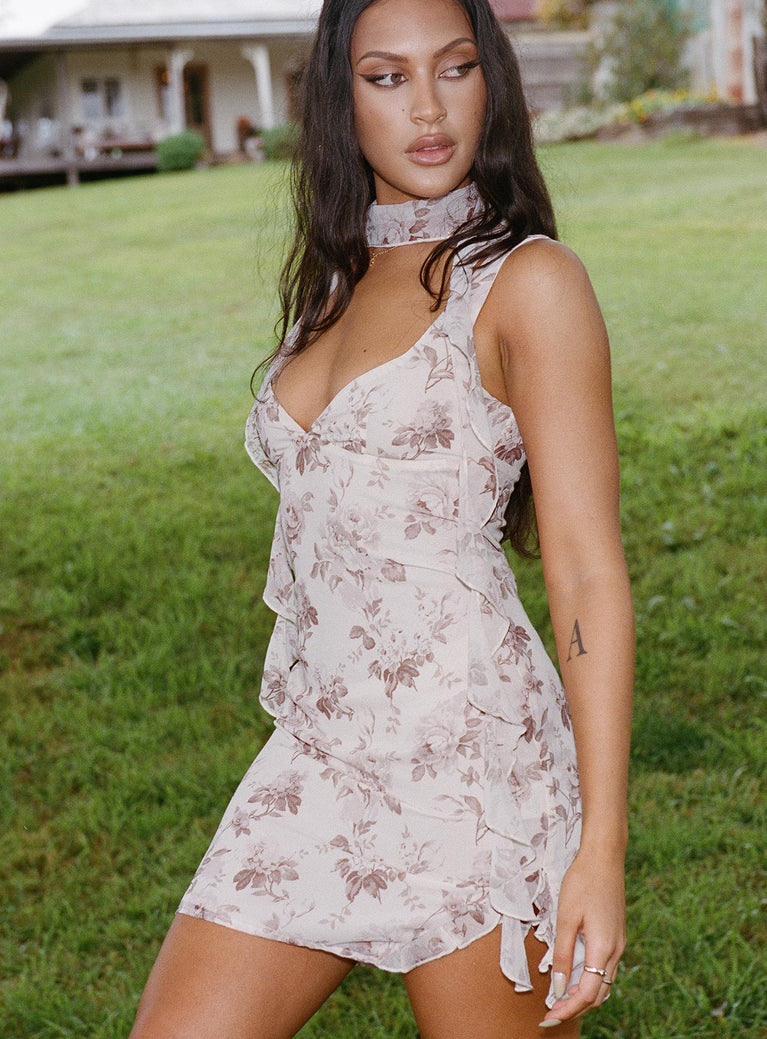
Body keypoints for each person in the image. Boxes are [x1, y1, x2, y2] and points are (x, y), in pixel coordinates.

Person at [130, 0, 634, 1035]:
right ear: (339, 96)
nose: (428, 108)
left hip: (469, 767)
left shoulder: (527, 282)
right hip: (318, 752)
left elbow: (585, 570)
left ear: (491, 82)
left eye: (454, 68)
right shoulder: (336, 276)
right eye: (386, 77)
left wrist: (599, 847)